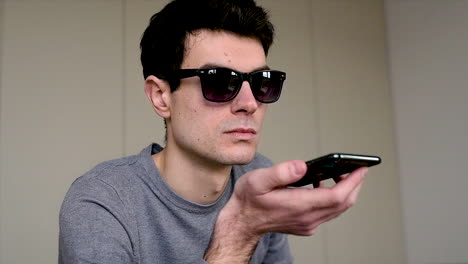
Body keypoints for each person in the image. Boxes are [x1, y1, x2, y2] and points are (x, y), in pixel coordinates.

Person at [58, 0, 368, 263]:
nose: (249, 103)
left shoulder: (258, 176)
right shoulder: (103, 201)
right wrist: (240, 230)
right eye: (220, 81)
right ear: (161, 97)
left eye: (263, 82)